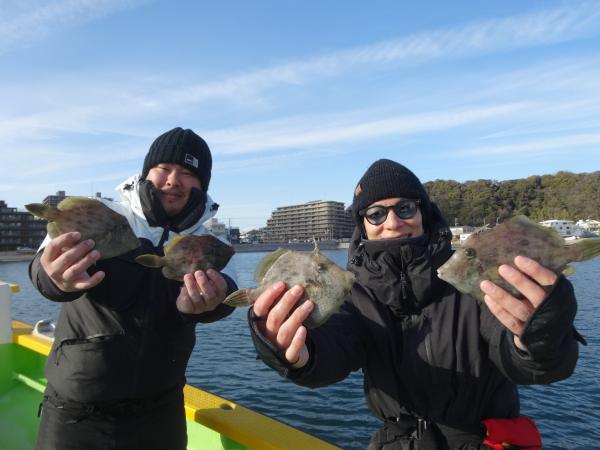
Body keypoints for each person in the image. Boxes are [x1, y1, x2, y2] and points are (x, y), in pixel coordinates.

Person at [247, 159, 583, 449]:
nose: (392, 222)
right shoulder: (354, 293)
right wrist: (295, 353)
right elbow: (333, 346)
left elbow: (519, 355)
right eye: (376, 214)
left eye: (405, 208)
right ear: (363, 225)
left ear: (424, 213)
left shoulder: (471, 277)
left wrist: (539, 338)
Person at [29, 127, 237, 450]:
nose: (173, 180)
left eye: (187, 174)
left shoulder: (211, 240)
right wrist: (54, 277)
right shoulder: (104, 212)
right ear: (146, 173)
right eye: (163, 168)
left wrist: (206, 305)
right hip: (75, 411)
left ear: (202, 185)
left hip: (160, 414)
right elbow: (43, 266)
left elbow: (228, 293)